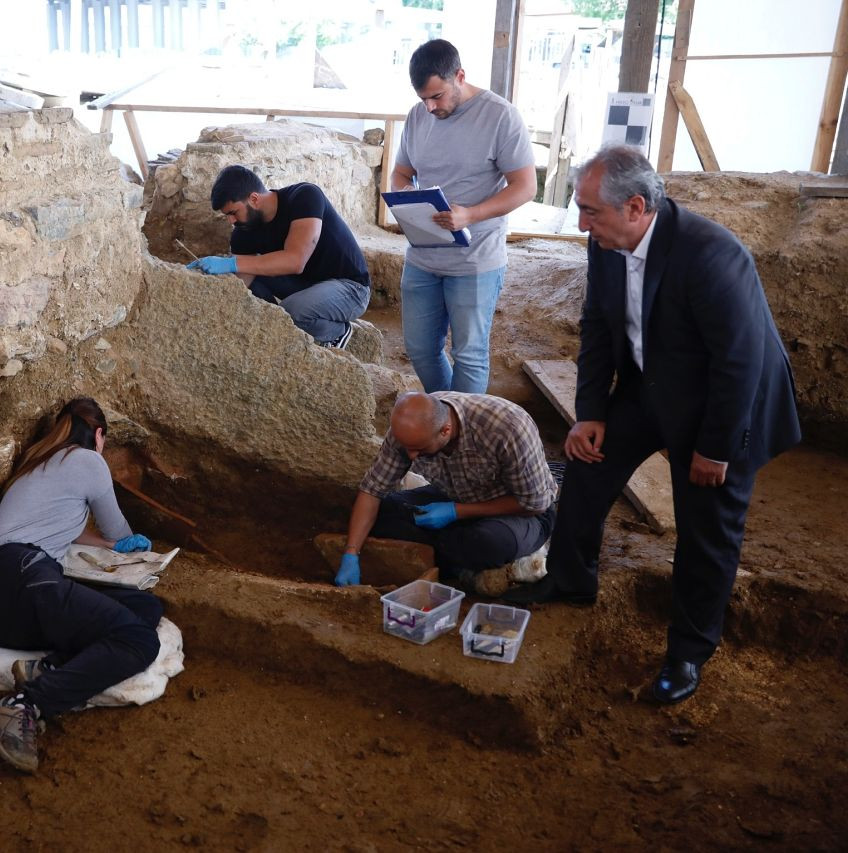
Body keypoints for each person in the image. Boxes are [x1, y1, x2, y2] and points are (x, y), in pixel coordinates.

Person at [502, 145, 801, 705]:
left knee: (706, 529)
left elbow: (739, 363)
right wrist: (590, 412)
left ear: (636, 206)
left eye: (591, 211)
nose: (582, 224)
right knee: (588, 470)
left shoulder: (710, 254)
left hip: (722, 405)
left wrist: (716, 449)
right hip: (652, 384)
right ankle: (571, 579)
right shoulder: (606, 243)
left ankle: (688, 652)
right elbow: (596, 324)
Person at [0, 397, 162, 773]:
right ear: (98, 435)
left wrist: (110, 547)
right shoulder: (87, 460)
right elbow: (117, 527)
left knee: (145, 607)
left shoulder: (39, 463)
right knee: (139, 640)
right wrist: (123, 540)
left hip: (6, 603)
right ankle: (26, 704)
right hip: (26, 574)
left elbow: (68, 525)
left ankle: (47, 669)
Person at [390, 39, 536, 393]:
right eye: (423, 98)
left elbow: (525, 186)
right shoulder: (417, 115)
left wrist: (471, 214)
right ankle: (445, 417)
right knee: (421, 349)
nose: (429, 106)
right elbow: (400, 174)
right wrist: (408, 204)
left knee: (469, 353)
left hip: (476, 259)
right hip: (423, 256)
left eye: (437, 96)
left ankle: (464, 431)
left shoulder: (500, 116)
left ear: (459, 75)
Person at [334, 391, 557, 592]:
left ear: (445, 430)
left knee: (489, 542)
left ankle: (486, 560)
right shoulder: (408, 429)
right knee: (380, 512)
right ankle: (464, 561)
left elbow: (534, 503)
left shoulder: (508, 428)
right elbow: (372, 490)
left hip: (519, 511)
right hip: (455, 495)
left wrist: (456, 512)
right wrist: (351, 552)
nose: (411, 456)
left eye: (419, 450)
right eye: (407, 449)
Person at [186, 164, 371, 348]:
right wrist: (208, 290)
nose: (231, 221)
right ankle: (275, 331)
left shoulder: (304, 197)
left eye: (233, 213)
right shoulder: (243, 231)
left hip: (350, 288)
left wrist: (232, 263)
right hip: (305, 286)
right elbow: (241, 282)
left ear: (254, 199)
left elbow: (295, 261)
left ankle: (336, 332)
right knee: (255, 286)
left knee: (290, 313)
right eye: (227, 215)